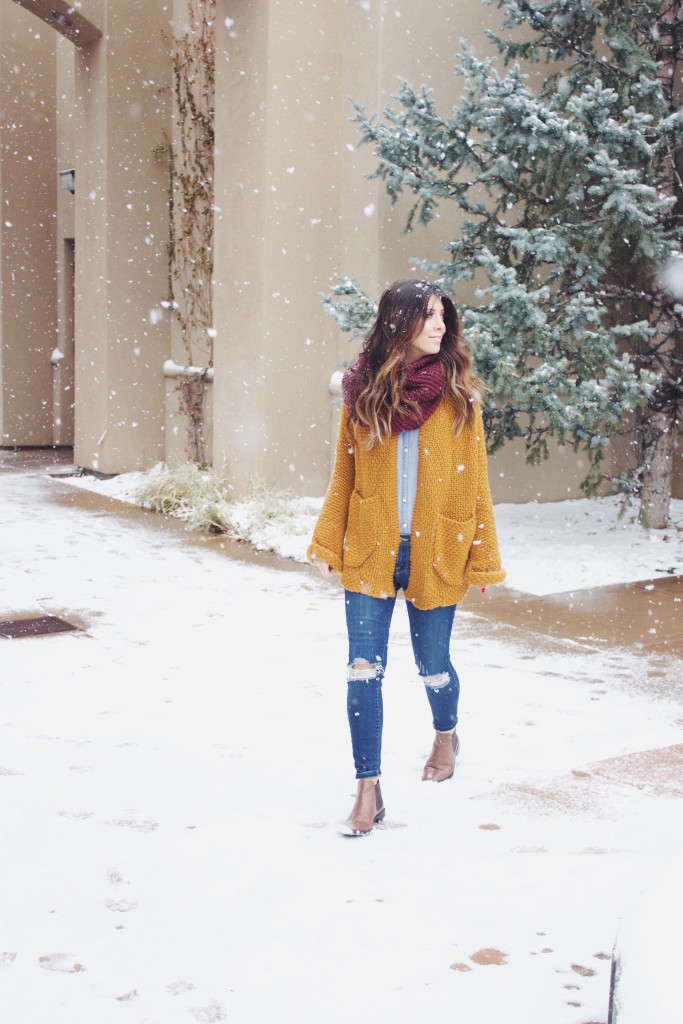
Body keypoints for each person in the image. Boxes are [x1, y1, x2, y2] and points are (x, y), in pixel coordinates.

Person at [308, 279, 505, 837]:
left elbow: (477, 485)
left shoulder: (459, 395)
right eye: (427, 316)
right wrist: (328, 541)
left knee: (433, 666)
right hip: (371, 549)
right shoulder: (363, 390)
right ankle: (368, 789)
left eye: (443, 316)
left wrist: (483, 556)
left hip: (436, 549)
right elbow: (343, 473)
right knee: (363, 669)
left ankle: (446, 732)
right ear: (399, 322)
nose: (439, 326)